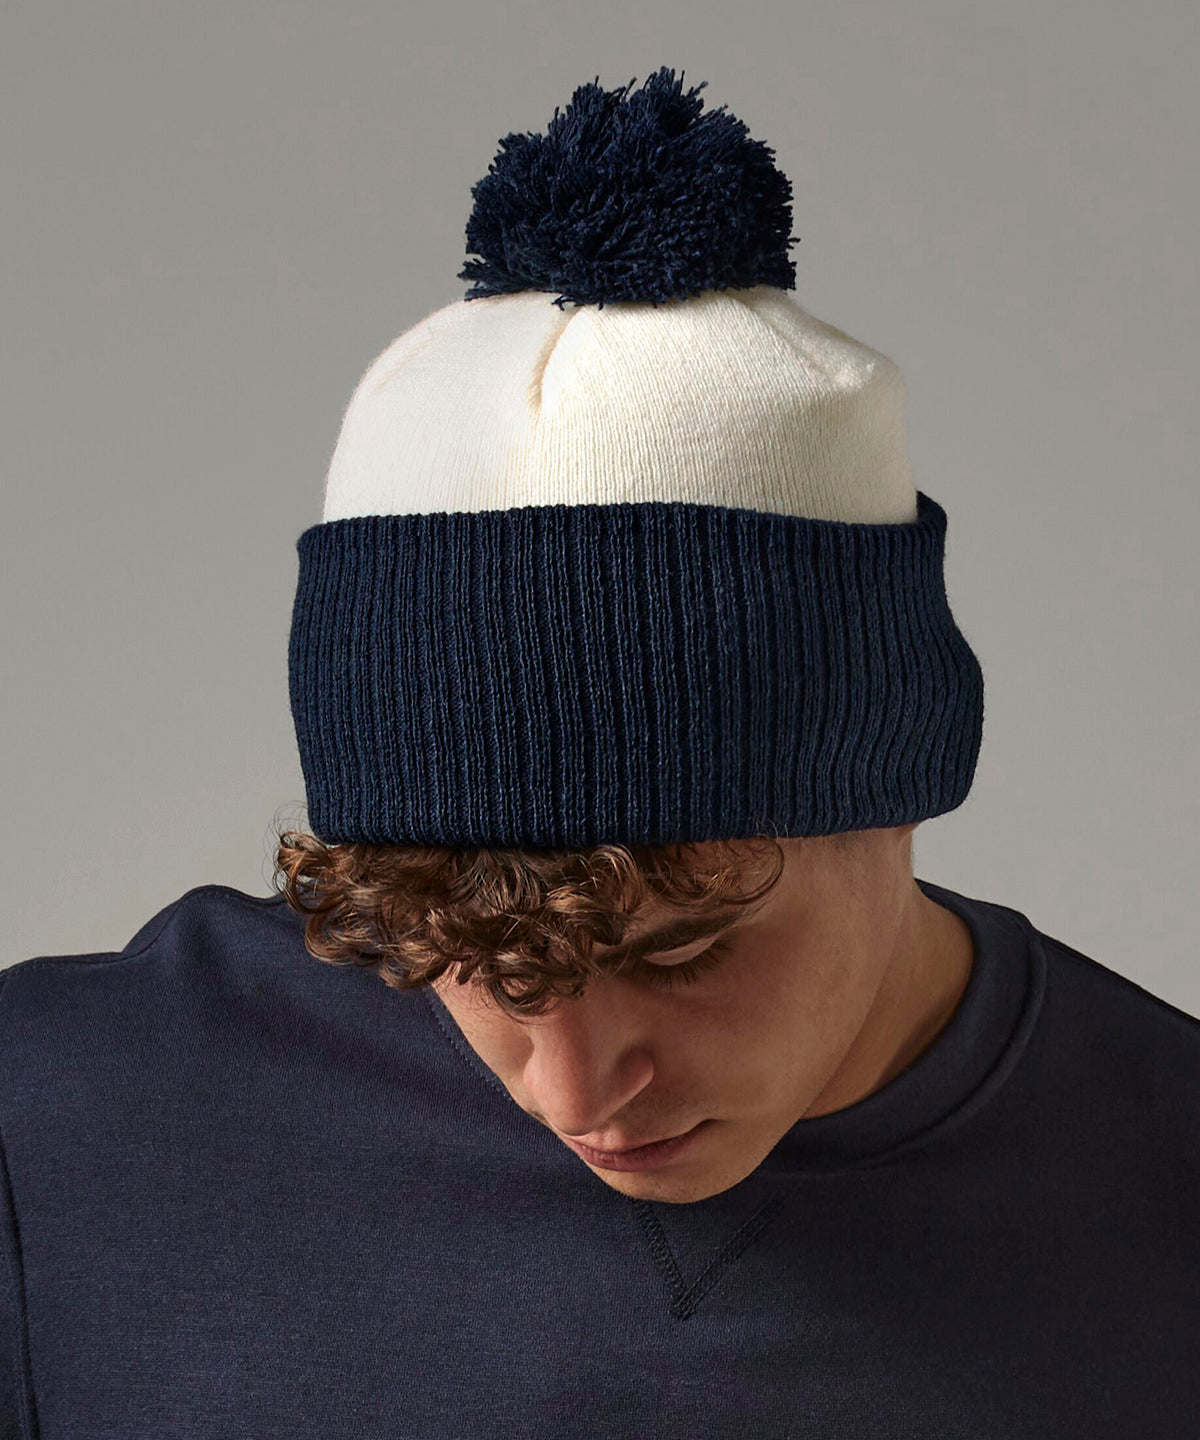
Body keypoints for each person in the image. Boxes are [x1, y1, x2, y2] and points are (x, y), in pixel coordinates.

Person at [2, 66, 1197, 1439]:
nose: (575, 1091)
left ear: (896, 784)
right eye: (469, 963)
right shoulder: (58, 1131)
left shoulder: (1166, 1197)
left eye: (681, 956)